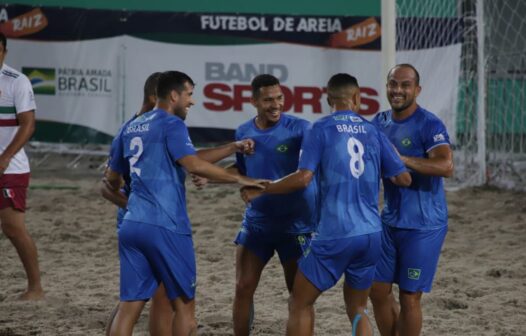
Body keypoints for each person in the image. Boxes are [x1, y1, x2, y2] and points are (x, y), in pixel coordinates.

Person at [242, 73, 411, 336]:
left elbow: (302, 178)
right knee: (358, 308)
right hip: (370, 234)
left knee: (299, 302)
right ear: (357, 98)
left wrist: (264, 188)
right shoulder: (373, 131)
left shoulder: (319, 128)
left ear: (327, 98)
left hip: (336, 235)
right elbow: (402, 178)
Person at [103, 70, 265, 336]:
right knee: (184, 309)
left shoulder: (129, 127)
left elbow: (111, 178)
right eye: (189, 94)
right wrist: (240, 179)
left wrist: (232, 147)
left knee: (129, 306)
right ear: (174, 95)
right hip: (166, 226)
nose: (192, 101)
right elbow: (191, 163)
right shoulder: (171, 123)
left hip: (131, 224)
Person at [369, 64, 454, 336]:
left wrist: (400, 159)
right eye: (393, 83)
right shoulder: (378, 122)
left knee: (409, 296)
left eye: (405, 85)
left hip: (424, 226)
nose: (398, 90)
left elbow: (446, 166)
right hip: (389, 222)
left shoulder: (429, 124)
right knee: (377, 290)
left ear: (417, 90)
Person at [230, 74, 317, 336]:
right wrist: (210, 175)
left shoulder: (302, 129)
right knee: (243, 287)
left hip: (296, 226)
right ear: (253, 101)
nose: (276, 104)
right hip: (258, 224)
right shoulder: (243, 132)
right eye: (268, 100)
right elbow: (241, 170)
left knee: (299, 296)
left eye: (279, 97)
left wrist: (260, 190)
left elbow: (305, 175)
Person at [0, 32, 43, 300]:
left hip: (10, 168)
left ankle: (35, 288)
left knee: (13, 227)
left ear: (3, 50)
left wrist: (4, 157)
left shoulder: (16, 81)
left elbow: (28, 125)